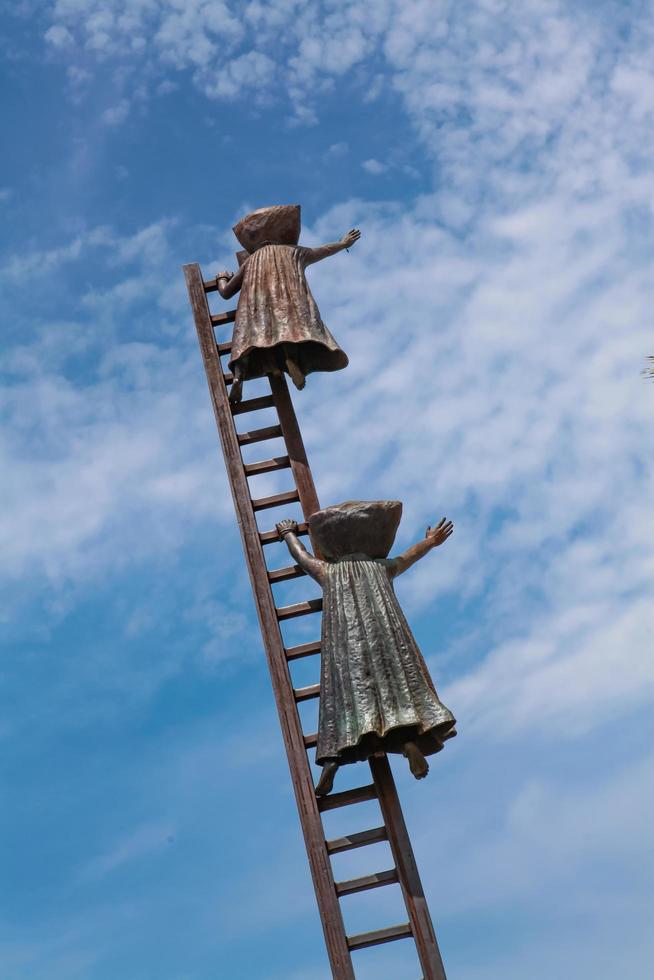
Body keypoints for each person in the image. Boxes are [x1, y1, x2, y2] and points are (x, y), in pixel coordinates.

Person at [276, 501, 457, 797]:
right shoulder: (380, 568)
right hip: (385, 643)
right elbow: (408, 557)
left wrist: (288, 534)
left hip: (346, 648)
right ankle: (406, 743)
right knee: (394, 691)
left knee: (345, 698)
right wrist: (430, 542)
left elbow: (302, 557)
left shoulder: (328, 572)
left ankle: (333, 761)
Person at [215, 204, 359, 403]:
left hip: (255, 310)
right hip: (289, 306)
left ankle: (239, 375)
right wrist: (343, 243)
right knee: (290, 332)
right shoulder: (293, 251)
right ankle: (291, 359)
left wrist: (222, 278)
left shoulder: (251, 261)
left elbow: (226, 293)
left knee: (248, 339)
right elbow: (322, 250)